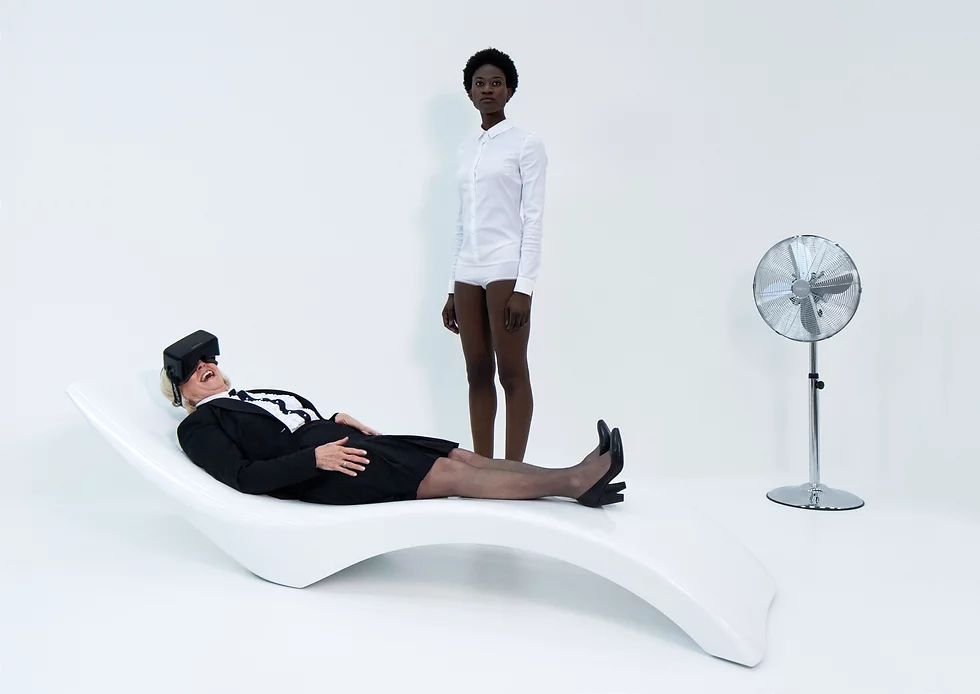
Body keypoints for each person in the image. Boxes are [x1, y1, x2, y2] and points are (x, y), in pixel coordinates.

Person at [160, 353, 626, 508]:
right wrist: (314, 457)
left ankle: (572, 473)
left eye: (208, 360)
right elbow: (243, 476)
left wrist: (332, 420)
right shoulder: (198, 425)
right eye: (192, 369)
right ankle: (574, 483)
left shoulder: (253, 394)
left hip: (342, 443)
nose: (205, 366)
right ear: (181, 394)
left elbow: (289, 423)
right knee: (451, 475)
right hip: (325, 471)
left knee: (461, 457)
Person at [442, 47, 547, 463]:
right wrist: (452, 288)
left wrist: (525, 287)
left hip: (506, 267)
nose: (487, 90)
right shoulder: (466, 149)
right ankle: (483, 469)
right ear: (469, 92)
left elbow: (533, 218)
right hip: (468, 270)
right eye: (479, 83)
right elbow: (461, 222)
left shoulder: (526, 144)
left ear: (509, 91)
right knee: (477, 372)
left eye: (496, 83)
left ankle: (512, 472)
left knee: (512, 372)